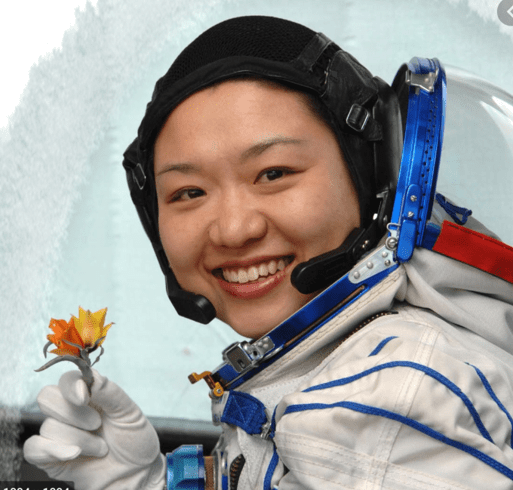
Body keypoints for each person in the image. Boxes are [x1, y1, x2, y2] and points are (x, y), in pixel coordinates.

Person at [24, 15, 513, 490]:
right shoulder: (351, 361)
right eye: (190, 192)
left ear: (370, 177)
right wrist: (156, 482)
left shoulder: (374, 405)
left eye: (273, 174)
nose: (234, 230)